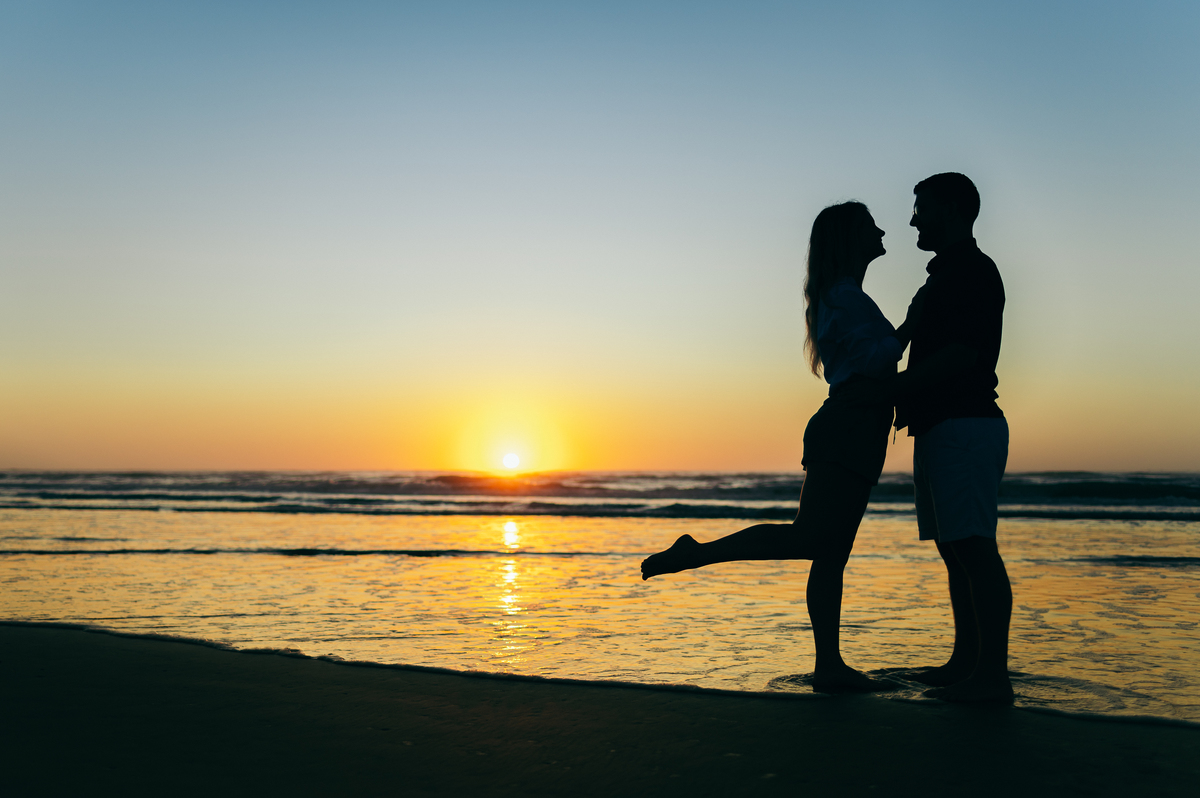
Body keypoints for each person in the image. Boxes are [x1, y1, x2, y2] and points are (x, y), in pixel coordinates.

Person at [640, 201, 918, 693]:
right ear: (848, 239)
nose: (881, 229)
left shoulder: (843, 296)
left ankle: (829, 665)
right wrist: (911, 326)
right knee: (812, 539)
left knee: (830, 551)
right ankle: (698, 553)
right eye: (868, 225)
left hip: (857, 427)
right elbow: (876, 357)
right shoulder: (843, 296)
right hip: (849, 425)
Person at [892, 172, 1013, 703]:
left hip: (965, 424)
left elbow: (963, 354)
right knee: (954, 548)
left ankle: (991, 675)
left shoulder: (971, 272)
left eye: (921, 207)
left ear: (952, 209)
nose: (914, 218)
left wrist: (892, 387)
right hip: (943, 426)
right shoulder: (943, 275)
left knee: (973, 548)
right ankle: (968, 661)